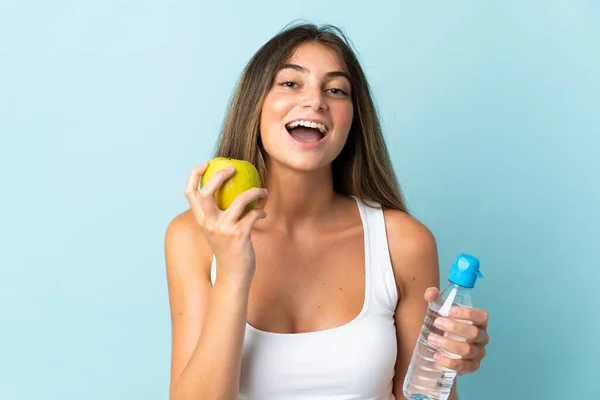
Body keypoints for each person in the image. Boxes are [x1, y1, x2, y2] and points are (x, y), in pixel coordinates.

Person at [165, 22, 490, 400]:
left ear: (352, 120)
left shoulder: (404, 242)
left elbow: (422, 394)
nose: (315, 100)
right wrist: (234, 272)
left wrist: (446, 366)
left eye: (335, 90)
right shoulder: (194, 237)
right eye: (290, 83)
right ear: (255, 103)